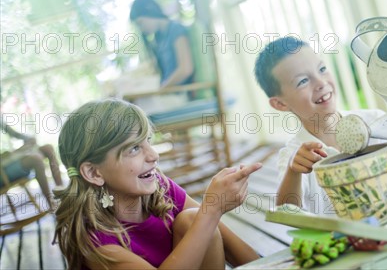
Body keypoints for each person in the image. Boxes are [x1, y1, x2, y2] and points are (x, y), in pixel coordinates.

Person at [53, 98, 262, 269]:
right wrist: (212, 210)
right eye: (134, 148)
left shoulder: (160, 187)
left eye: (149, 141)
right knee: (201, 218)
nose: (153, 155)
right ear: (93, 172)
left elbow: (233, 247)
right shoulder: (97, 243)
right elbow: (208, 217)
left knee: (192, 219)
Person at [254, 36, 387, 216]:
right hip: (339, 242)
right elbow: (286, 212)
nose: (320, 83)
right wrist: (293, 172)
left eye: (322, 69)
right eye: (303, 81)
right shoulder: (294, 157)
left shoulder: (375, 122)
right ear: (280, 104)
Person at [129, 0, 194, 88]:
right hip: (169, 92)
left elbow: (186, 69)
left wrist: (163, 88)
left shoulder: (176, 29)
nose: (141, 29)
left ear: (150, 13)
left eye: (140, 23)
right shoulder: (159, 38)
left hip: (180, 92)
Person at [0, 117, 63, 211]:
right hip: (2, 172)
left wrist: (28, 140)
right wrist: (17, 152)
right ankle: (51, 204)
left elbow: (15, 134)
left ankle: (62, 193)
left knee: (48, 148)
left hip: (11, 160)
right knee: (36, 159)